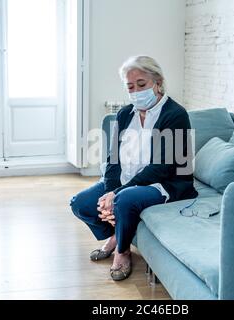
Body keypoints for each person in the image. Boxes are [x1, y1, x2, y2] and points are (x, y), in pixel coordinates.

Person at [70, 55, 198, 281]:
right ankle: (115, 235)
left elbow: (161, 167)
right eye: (130, 86)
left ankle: (123, 251)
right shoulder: (124, 113)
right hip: (125, 183)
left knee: (124, 199)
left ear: (157, 82)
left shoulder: (175, 115)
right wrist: (111, 189)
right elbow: (113, 161)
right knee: (81, 204)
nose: (136, 91)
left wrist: (116, 194)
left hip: (163, 183)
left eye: (142, 84)